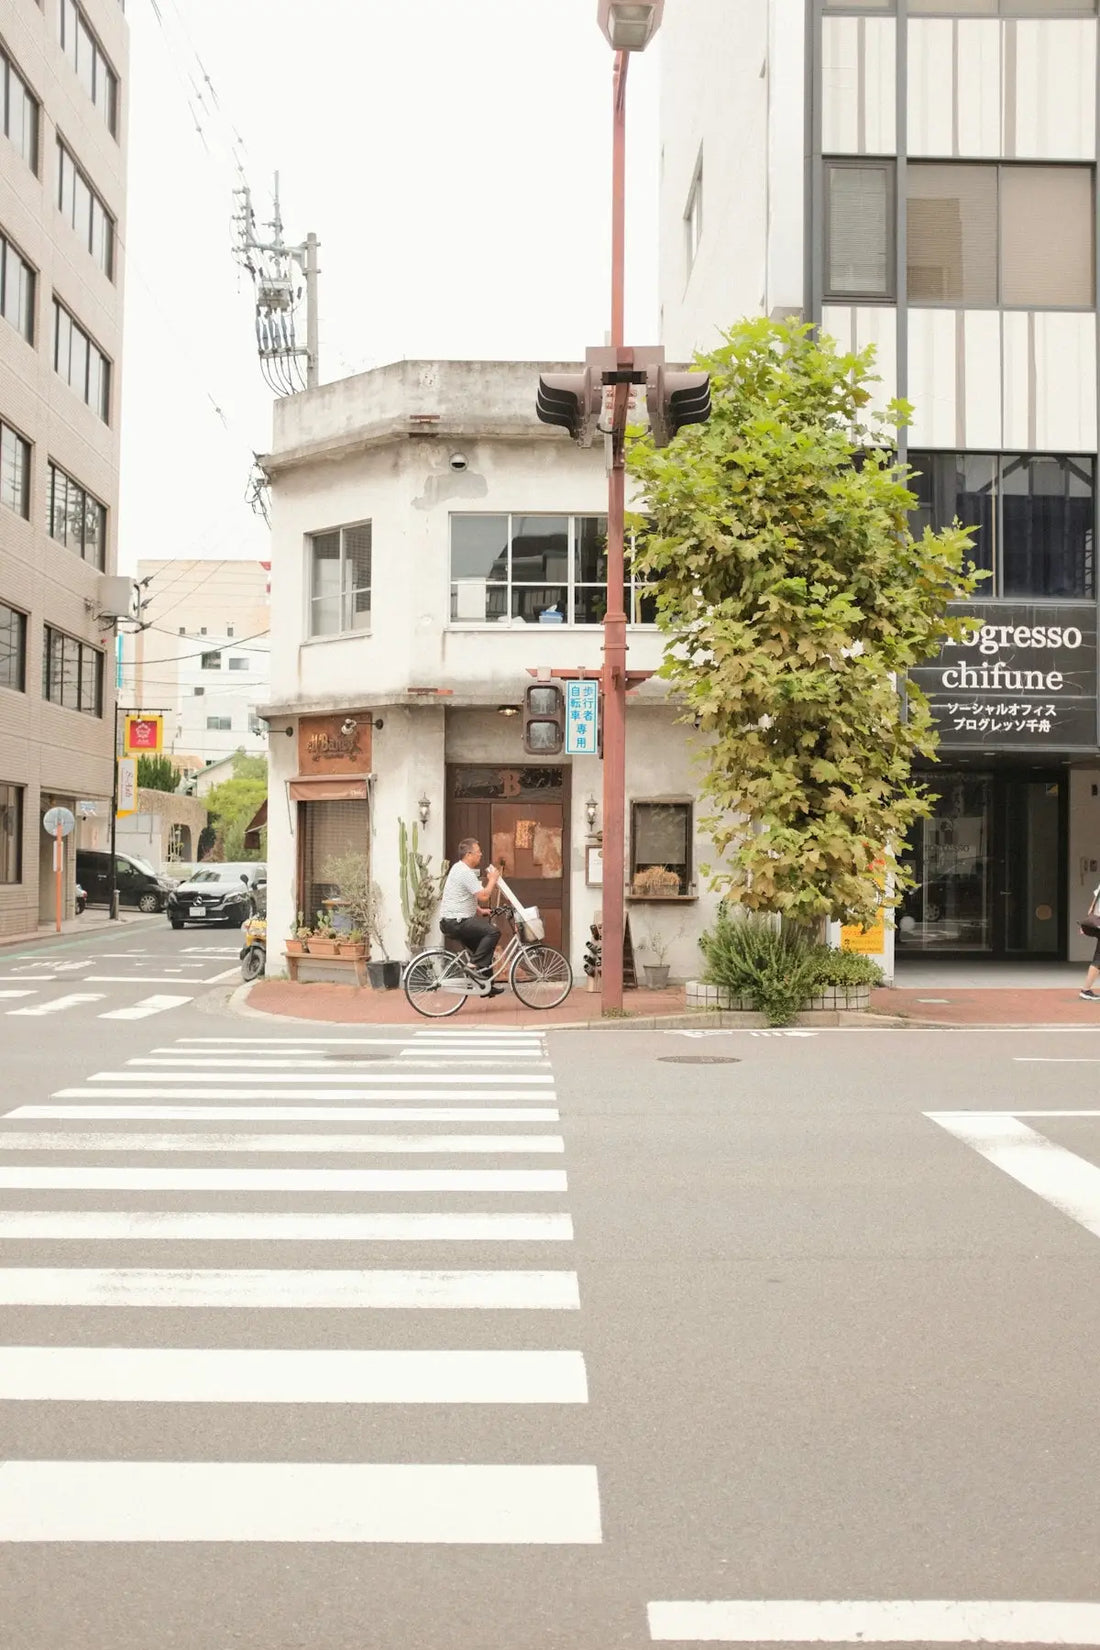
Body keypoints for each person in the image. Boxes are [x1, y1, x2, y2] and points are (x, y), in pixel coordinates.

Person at [438, 838, 502, 993]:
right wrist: (493, 880)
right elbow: (484, 895)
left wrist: (479, 910)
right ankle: (471, 967)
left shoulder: (458, 868)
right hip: (456, 922)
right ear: (468, 854)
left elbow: (463, 896)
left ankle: (486, 986)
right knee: (493, 932)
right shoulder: (465, 872)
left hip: (452, 920)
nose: (481, 855)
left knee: (483, 948)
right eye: (478, 852)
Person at [1080, 880, 1100, 999]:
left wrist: (1090, 916)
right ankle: (1085, 990)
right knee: (1098, 958)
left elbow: (1093, 902)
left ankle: (1086, 990)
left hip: (1098, 921)